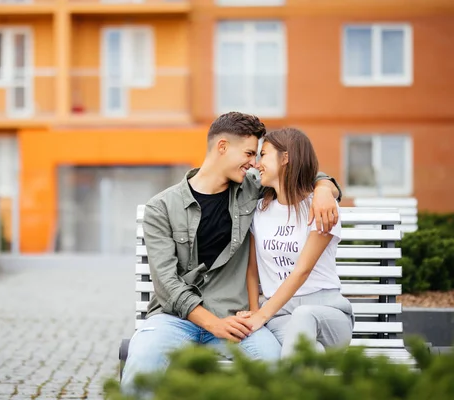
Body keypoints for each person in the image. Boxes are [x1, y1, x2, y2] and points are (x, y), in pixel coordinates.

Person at [121, 113, 341, 392]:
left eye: (258, 155)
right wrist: (213, 324)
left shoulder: (252, 189)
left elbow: (296, 171)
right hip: (175, 320)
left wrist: (324, 188)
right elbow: (167, 283)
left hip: (237, 321)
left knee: (274, 364)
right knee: (141, 361)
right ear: (222, 147)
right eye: (249, 153)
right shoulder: (161, 208)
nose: (254, 162)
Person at [238, 127, 354, 359]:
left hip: (327, 314)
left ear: (286, 158)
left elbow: (302, 270)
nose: (257, 163)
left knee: (303, 315)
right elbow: (252, 270)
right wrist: (254, 310)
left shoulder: (320, 206)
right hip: (280, 317)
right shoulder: (260, 211)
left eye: (264, 154)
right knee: (309, 354)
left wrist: (262, 315)